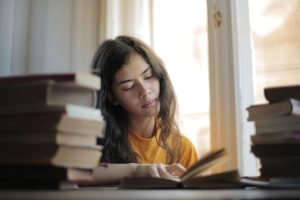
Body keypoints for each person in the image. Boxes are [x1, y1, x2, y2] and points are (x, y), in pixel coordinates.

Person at [90, 35, 198, 184]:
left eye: (148, 76)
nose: (145, 91)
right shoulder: (93, 144)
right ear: (112, 97)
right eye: (128, 86)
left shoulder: (182, 148)